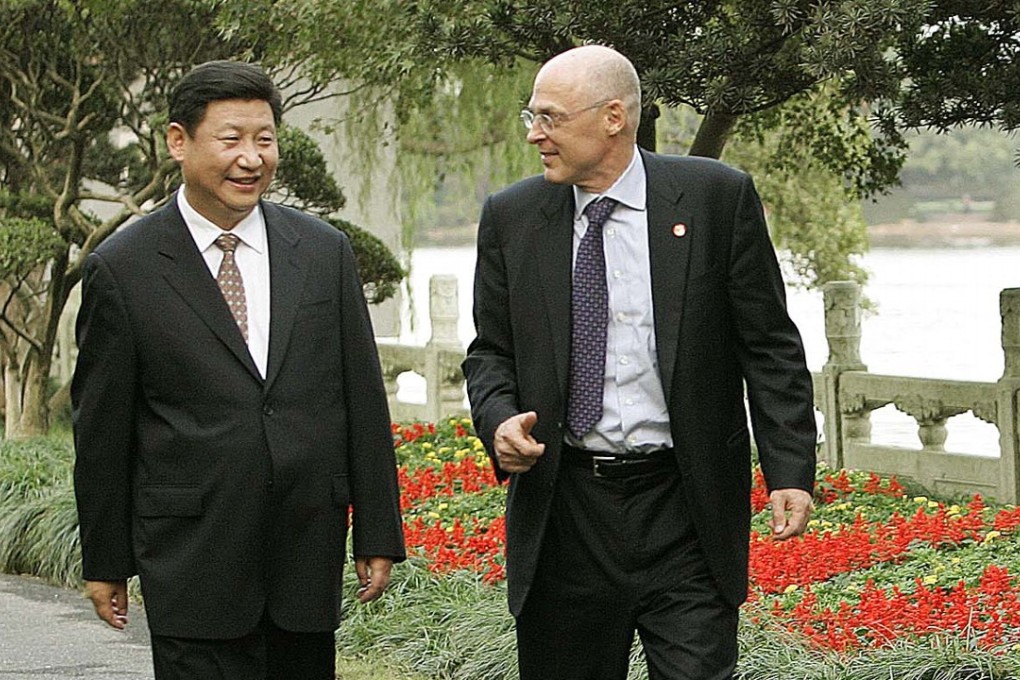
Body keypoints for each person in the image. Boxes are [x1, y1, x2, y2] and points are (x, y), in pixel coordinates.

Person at [462, 45, 817, 680]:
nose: (534, 134)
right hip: (566, 509)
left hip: (686, 505)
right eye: (531, 116)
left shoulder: (714, 198)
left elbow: (769, 347)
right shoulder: (512, 216)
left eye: (550, 117)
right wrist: (500, 420)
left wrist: (789, 470)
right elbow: (491, 352)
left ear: (613, 117)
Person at [71, 60, 405, 680]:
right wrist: (105, 560)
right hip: (192, 555)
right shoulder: (124, 268)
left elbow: (362, 396)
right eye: (231, 140)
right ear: (179, 141)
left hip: (305, 551)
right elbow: (103, 430)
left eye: (265, 139)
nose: (252, 158)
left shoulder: (323, 250)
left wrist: (379, 531)